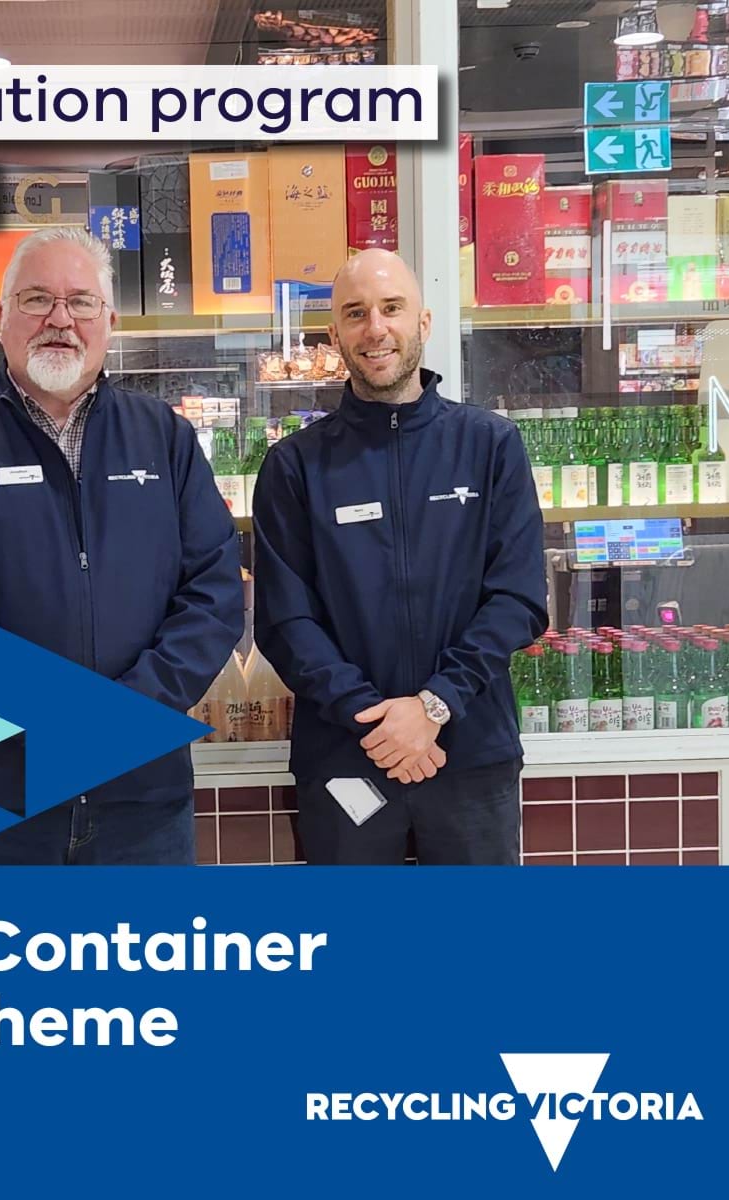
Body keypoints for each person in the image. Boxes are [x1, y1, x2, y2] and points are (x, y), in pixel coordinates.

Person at [0, 226, 243, 865]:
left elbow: (213, 594)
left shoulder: (164, 439)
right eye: (36, 300)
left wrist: (122, 718)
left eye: (81, 302)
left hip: (142, 799)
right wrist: (55, 719)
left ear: (108, 320)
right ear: (1, 318)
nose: (60, 319)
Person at [252, 249, 547, 866]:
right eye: (355, 314)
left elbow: (518, 599)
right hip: (346, 758)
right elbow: (285, 621)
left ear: (424, 322)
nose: (375, 328)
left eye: (391, 308)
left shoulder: (490, 446)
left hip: (469, 752)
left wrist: (435, 704)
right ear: (334, 336)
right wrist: (380, 722)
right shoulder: (296, 467)